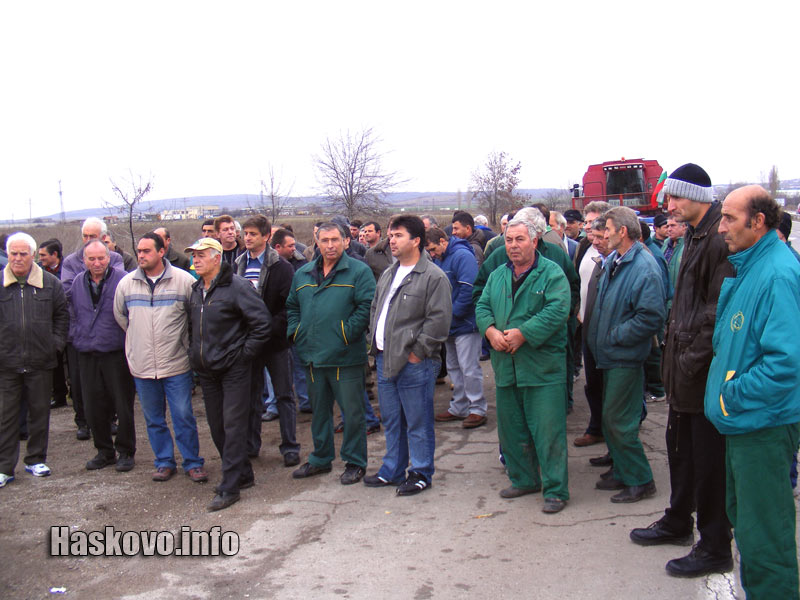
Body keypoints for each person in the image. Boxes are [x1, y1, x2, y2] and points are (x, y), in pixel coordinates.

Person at [629, 163, 734, 577]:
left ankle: (714, 545)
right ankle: (677, 520)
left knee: (708, 463)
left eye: (673, 197)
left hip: (700, 371)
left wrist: (689, 362)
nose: (667, 205)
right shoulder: (694, 234)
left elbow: (716, 313)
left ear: (695, 197)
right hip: (682, 369)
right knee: (681, 453)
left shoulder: (717, 241)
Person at [704, 185, 800, 598]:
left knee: (765, 537)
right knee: (747, 522)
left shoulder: (777, 273)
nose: (720, 227)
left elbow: (785, 363)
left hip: (763, 423)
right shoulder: (753, 266)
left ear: (757, 221)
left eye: (729, 218)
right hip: (744, 424)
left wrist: (731, 396)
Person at [475, 211, 570, 513]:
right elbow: (482, 305)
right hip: (506, 367)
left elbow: (558, 311)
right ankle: (524, 479)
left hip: (541, 367)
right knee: (512, 431)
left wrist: (525, 333)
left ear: (535, 240)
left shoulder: (552, 273)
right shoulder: (498, 274)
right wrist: (490, 330)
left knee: (547, 432)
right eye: (509, 240)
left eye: (520, 239)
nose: (513, 245)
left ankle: (556, 490)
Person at [365, 215, 451, 494]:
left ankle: (421, 471)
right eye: (390, 235)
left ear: (416, 241)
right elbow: (376, 309)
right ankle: (392, 469)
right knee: (391, 419)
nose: (391, 240)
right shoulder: (390, 272)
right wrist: (373, 344)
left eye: (398, 235)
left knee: (417, 420)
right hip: (384, 359)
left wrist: (417, 354)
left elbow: (438, 322)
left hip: (414, 363)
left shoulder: (433, 277)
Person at [586, 206, 665, 503]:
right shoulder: (618, 259)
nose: (603, 234)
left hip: (624, 356)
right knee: (611, 417)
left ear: (622, 231)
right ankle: (622, 469)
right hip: (609, 354)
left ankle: (640, 480)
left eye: (607, 228)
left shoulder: (643, 266)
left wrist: (614, 335)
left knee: (620, 421)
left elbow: (651, 317)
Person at [286, 222, 376, 485]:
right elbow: (292, 307)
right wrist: (297, 332)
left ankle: (355, 461)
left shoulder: (358, 272)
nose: (330, 245)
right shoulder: (303, 274)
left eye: (335, 239)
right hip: (312, 355)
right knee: (320, 412)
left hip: (345, 356)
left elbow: (365, 307)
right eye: (324, 240)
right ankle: (320, 458)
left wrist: (344, 334)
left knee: (353, 412)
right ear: (316, 241)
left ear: (346, 241)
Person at [114, 232, 207, 483]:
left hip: (175, 363)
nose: (141, 255)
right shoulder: (126, 284)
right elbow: (122, 317)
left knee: (183, 416)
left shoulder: (184, 282)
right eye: (139, 251)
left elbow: (194, 318)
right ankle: (164, 462)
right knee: (154, 419)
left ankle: (193, 462)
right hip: (142, 366)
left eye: (146, 251)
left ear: (161, 252)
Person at [186, 237, 270, 511]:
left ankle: (230, 485)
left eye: (201, 255)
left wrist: (243, 356)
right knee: (217, 426)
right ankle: (243, 473)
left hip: (234, 369)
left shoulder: (237, 287)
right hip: (207, 370)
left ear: (217, 258)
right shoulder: (196, 289)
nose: (195, 260)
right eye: (194, 255)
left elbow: (262, 324)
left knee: (234, 427)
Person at [0, 233, 69, 488]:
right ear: (8, 254)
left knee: (39, 413)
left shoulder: (50, 284)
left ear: (32, 255)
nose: (18, 258)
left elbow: (62, 317)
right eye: (13, 253)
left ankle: (36, 459)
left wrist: (55, 346)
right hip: (6, 362)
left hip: (41, 361)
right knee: (6, 416)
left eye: (23, 254)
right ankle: (4, 467)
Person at [235, 215, 300, 467]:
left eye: (252, 234)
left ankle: (290, 446)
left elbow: (289, 307)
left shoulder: (281, 267)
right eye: (246, 234)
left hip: (275, 343)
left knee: (283, 395)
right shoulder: (238, 265)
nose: (248, 238)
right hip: (247, 344)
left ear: (265, 237)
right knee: (251, 397)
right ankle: (251, 445)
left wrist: (266, 330)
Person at [67, 240, 136, 472]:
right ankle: (104, 451)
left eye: (101, 258)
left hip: (115, 351)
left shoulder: (123, 279)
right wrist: (77, 335)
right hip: (87, 352)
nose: (96, 263)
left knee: (122, 404)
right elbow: (73, 313)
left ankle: (125, 451)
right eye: (91, 259)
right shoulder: (78, 281)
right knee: (93, 404)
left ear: (109, 257)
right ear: (84, 260)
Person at [61, 217, 125, 441]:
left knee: (116, 392)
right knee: (82, 388)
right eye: (85, 236)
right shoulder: (71, 262)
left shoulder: (116, 261)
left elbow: (115, 291)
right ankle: (85, 424)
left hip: (111, 337)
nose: (88, 240)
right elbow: (68, 293)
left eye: (94, 236)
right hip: (81, 335)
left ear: (104, 237)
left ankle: (115, 428)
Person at [426, 227, 487, 428]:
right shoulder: (440, 258)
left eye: (434, 249)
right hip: (449, 324)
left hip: (465, 324)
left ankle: (477, 408)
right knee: (453, 366)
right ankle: (459, 406)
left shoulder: (462, 256)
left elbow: (468, 290)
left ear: (443, 241)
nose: (432, 255)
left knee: (469, 367)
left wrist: (451, 316)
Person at [574, 216, 613, 448]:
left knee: (615, 392)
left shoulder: (628, 262)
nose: (595, 241)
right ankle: (598, 428)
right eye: (593, 236)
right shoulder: (589, 252)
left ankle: (615, 439)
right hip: (589, 327)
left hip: (610, 337)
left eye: (600, 236)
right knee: (594, 385)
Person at [272, 229, 311, 414]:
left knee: (300, 363)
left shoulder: (301, 262)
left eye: (295, 245)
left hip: (297, 322)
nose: (294, 249)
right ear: (277, 247)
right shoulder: (270, 266)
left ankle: (305, 401)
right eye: (291, 246)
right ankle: (275, 404)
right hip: (276, 327)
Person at [38, 239, 69, 409]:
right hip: (48, 323)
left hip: (66, 321)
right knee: (55, 361)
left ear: (54, 255)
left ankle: (74, 393)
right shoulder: (39, 271)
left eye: (43, 255)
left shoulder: (67, 269)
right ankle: (59, 395)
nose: (40, 258)